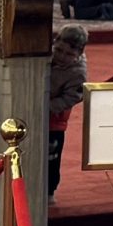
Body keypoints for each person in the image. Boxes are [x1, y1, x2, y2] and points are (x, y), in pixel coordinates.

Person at [47, 21, 90, 184]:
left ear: (79, 53)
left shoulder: (78, 73)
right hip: (35, 111)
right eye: (59, 50)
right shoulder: (46, 55)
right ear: (55, 42)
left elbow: (72, 97)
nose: (62, 57)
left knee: (51, 157)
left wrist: (46, 107)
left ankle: (50, 189)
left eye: (69, 54)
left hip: (55, 121)